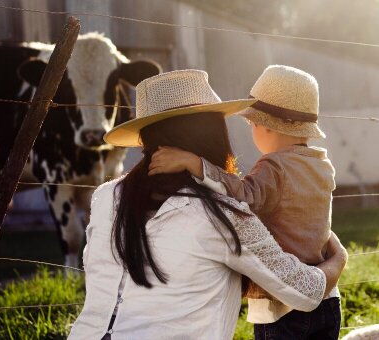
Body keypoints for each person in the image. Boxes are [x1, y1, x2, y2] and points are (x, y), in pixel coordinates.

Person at [68, 70, 347, 340]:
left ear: (146, 135)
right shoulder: (221, 216)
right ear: (213, 133)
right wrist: (338, 259)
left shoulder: (106, 197)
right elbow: (305, 292)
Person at [149, 65, 341, 339]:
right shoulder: (322, 164)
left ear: (264, 127)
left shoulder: (274, 165)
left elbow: (244, 197)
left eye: (251, 124)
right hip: (328, 298)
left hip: (284, 305)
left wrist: (195, 164)